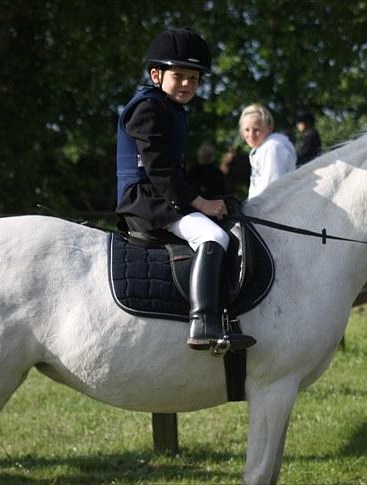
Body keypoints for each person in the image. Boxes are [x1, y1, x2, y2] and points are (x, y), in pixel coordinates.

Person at [115, 28, 254, 351]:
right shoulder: (148, 109)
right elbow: (160, 172)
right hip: (145, 203)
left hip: (162, 197)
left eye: (194, 78)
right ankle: (203, 323)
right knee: (214, 237)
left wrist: (208, 198)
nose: (188, 84)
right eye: (179, 76)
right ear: (156, 74)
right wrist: (201, 203)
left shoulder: (170, 109)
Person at [239, 104, 296, 199]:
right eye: (247, 130)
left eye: (256, 130)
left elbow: (272, 190)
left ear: (269, 128)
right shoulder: (262, 149)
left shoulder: (272, 148)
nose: (251, 135)